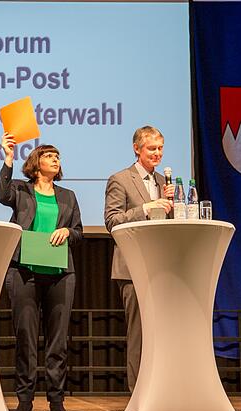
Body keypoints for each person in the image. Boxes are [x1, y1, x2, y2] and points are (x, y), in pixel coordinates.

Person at [0, 133, 83, 411]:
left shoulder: (68, 196)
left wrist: (68, 232)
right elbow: (1, 194)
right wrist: (8, 158)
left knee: (58, 341)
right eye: (49, 155)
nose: (55, 159)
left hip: (60, 274)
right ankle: (24, 401)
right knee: (26, 338)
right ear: (35, 163)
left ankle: (57, 401)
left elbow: (79, 232)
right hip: (25, 272)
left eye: (57, 156)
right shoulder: (22, 190)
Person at [103, 125, 174, 392]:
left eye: (160, 148)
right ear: (137, 149)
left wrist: (173, 204)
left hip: (160, 266)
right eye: (152, 148)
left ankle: (159, 389)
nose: (157, 154)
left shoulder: (163, 183)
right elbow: (112, 221)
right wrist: (145, 207)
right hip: (132, 268)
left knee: (160, 332)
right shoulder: (120, 179)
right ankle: (138, 394)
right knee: (138, 334)